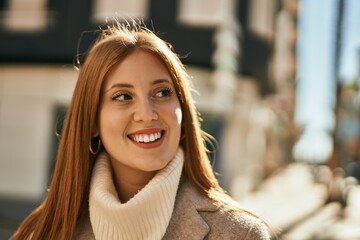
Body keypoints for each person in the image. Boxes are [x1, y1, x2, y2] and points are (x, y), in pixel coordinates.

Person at [13, 21, 271, 239]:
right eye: (123, 96)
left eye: (162, 92)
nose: (147, 113)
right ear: (91, 121)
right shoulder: (41, 232)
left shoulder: (239, 234)